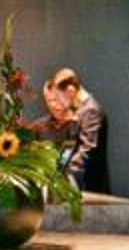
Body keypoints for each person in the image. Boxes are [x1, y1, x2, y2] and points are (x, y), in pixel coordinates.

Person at [42, 66, 109, 195]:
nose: (59, 103)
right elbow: (71, 146)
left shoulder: (91, 111)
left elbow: (87, 151)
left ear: (70, 91)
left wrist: (62, 174)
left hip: (89, 187)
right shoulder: (80, 111)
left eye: (59, 97)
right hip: (77, 186)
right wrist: (59, 168)